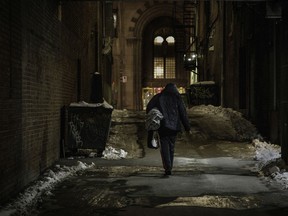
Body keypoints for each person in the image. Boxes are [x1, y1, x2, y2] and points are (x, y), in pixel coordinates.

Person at [146, 83, 190, 176]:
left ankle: (168, 167)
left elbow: (149, 108)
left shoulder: (158, 97)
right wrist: (187, 127)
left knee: (164, 145)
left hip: (162, 126)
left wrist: (155, 113)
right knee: (171, 147)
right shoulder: (177, 98)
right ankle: (170, 166)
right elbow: (183, 113)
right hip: (174, 127)